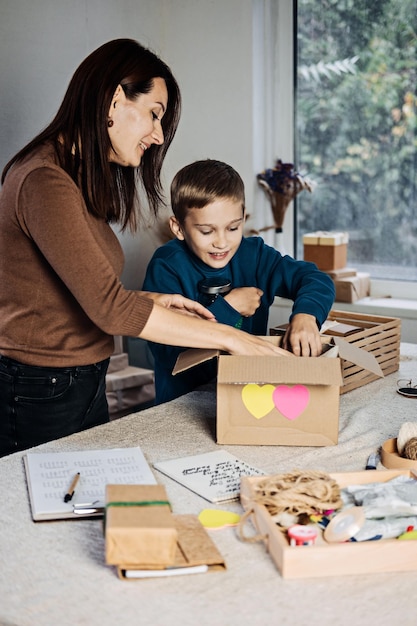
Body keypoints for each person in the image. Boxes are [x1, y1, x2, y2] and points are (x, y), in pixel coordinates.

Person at [0, 40, 289, 457]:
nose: (157, 135)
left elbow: (68, 294)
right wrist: (231, 337)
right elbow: (108, 308)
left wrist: (147, 299)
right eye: (154, 113)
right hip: (38, 389)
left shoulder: (70, 177)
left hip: (75, 381)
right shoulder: (44, 181)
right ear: (115, 101)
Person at [143, 159, 336, 404]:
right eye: (206, 231)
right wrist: (228, 308)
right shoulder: (167, 266)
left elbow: (315, 279)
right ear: (178, 227)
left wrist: (306, 316)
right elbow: (168, 353)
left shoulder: (255, 255)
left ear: (243, 219)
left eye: (233, 228)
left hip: (248, 397)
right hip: (184, 403)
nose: (221, 242)